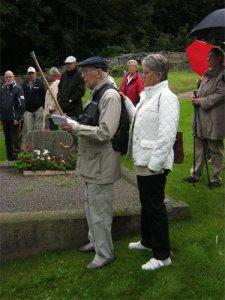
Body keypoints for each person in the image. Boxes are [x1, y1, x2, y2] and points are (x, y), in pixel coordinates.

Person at [61, 56, 121, 269]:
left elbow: (105, 132)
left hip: (101, 165)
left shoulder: (110, 96)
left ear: (99, 71)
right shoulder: (96, 94)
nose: (83, 77)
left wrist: (76, 128)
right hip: (92, 163)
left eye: (86, 72)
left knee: (100, 212)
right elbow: (91, 123)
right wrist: (73, 124)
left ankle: (105, 254)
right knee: (90, 207)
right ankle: (95, 242)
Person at [122, 54, 179, 271]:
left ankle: (162, 254)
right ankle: (147, 242)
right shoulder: (148, 95)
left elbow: (167, 135)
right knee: (146, 204)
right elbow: (138, 117)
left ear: (158, 74)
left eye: (145, 72)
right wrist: (126, 100)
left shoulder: (167, 97)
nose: (142, 75)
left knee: (155, 208)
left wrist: (155, 165)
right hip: (143, 160)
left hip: (153, 164)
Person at [184, 46, 225, 188]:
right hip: (201, 116)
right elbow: (203, 92)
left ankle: (215, 178)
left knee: (215, 148)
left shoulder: (223, 75)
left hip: (214, 117)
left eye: (211, 57)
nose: (208, 59)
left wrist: (201, 101)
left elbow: (220, 95)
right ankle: (195, 173)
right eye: (208, 57)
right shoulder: (206, 74)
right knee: (199, 145)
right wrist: (197, 91)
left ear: (219, 58)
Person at [0, 70, 25, 160]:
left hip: (14, 119)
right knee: (7, 139)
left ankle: (18, 157)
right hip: (5, 118)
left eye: (10, 77)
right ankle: (10, 157)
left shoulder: (18, 89)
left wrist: (17, 118)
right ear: (4, 78)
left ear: (13, 77)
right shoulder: (2, 89)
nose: (8, 78)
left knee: (15, 139)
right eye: (6, 77)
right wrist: (1, 118)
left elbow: (21, 105)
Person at [57, 56, 85, 120]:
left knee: (72, 128)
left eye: (69, 64)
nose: (67, 65)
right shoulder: (64, 74)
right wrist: (59, 97)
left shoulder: (79, 74)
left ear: (74, 64)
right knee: (64, 128)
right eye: (66, 64)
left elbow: (81, 91)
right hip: (63, 108)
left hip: (74, 109)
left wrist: (71, 100)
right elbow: (60, 87)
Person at [22, 66, 45, 132]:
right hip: (28, 110)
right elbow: (22, 97)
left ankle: (38, 142)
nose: (31, 75)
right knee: (29, 129)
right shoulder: (24, 84)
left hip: (38, 109)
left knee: (39, 129)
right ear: (27, 74)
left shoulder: (40, 83)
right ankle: (31, 142)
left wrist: (42, 106)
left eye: (32, 73)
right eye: (29, 73)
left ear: (35, 73)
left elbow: (43, 94)